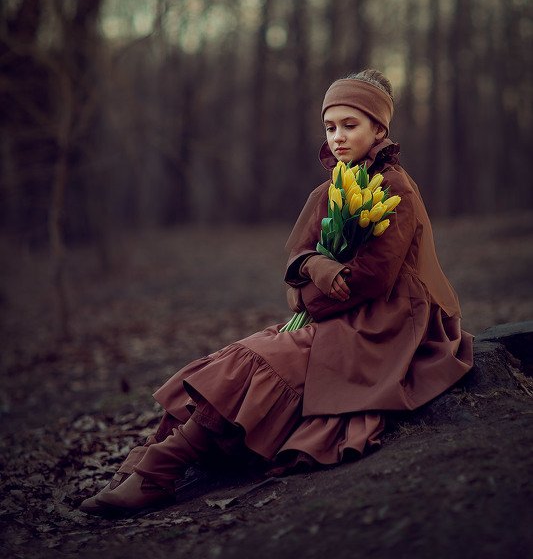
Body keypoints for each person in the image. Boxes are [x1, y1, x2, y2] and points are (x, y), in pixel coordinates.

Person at [80, 69, 473, 516]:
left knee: (267, 358)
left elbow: (372, 279)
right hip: (339, 311)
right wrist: (313, 266)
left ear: (379, 129)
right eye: (330, 126)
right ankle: (150, 468)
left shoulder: (394, 186)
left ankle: (158, 473)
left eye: (351, 125)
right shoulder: (333, 188)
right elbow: (298, 255)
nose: (338, 137)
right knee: (241, 356)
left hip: (388, 319)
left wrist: (308, 295)